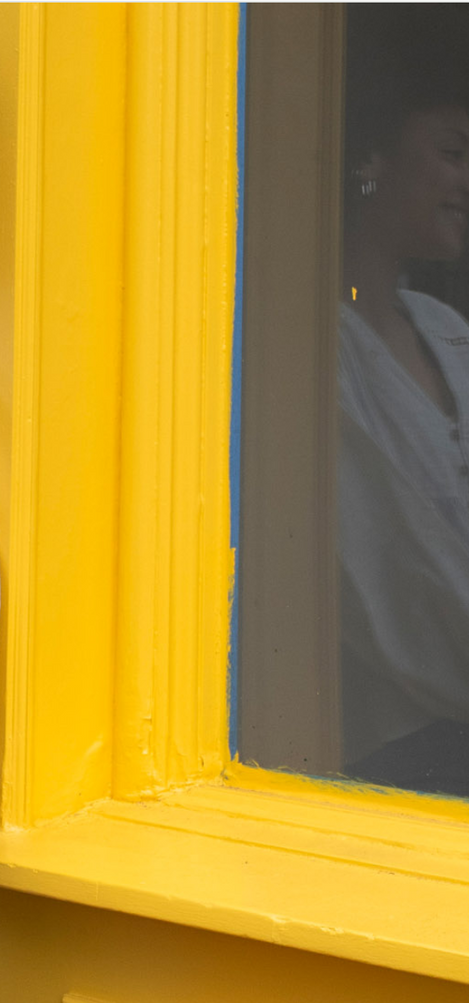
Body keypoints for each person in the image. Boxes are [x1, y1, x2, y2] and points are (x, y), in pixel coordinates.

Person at [339, 18, 469, 794]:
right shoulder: (310, 348)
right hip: (401, 748)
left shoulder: (446, 331)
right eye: (451, 153)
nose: (467, 180)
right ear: (368, 161)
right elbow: (390, 562)